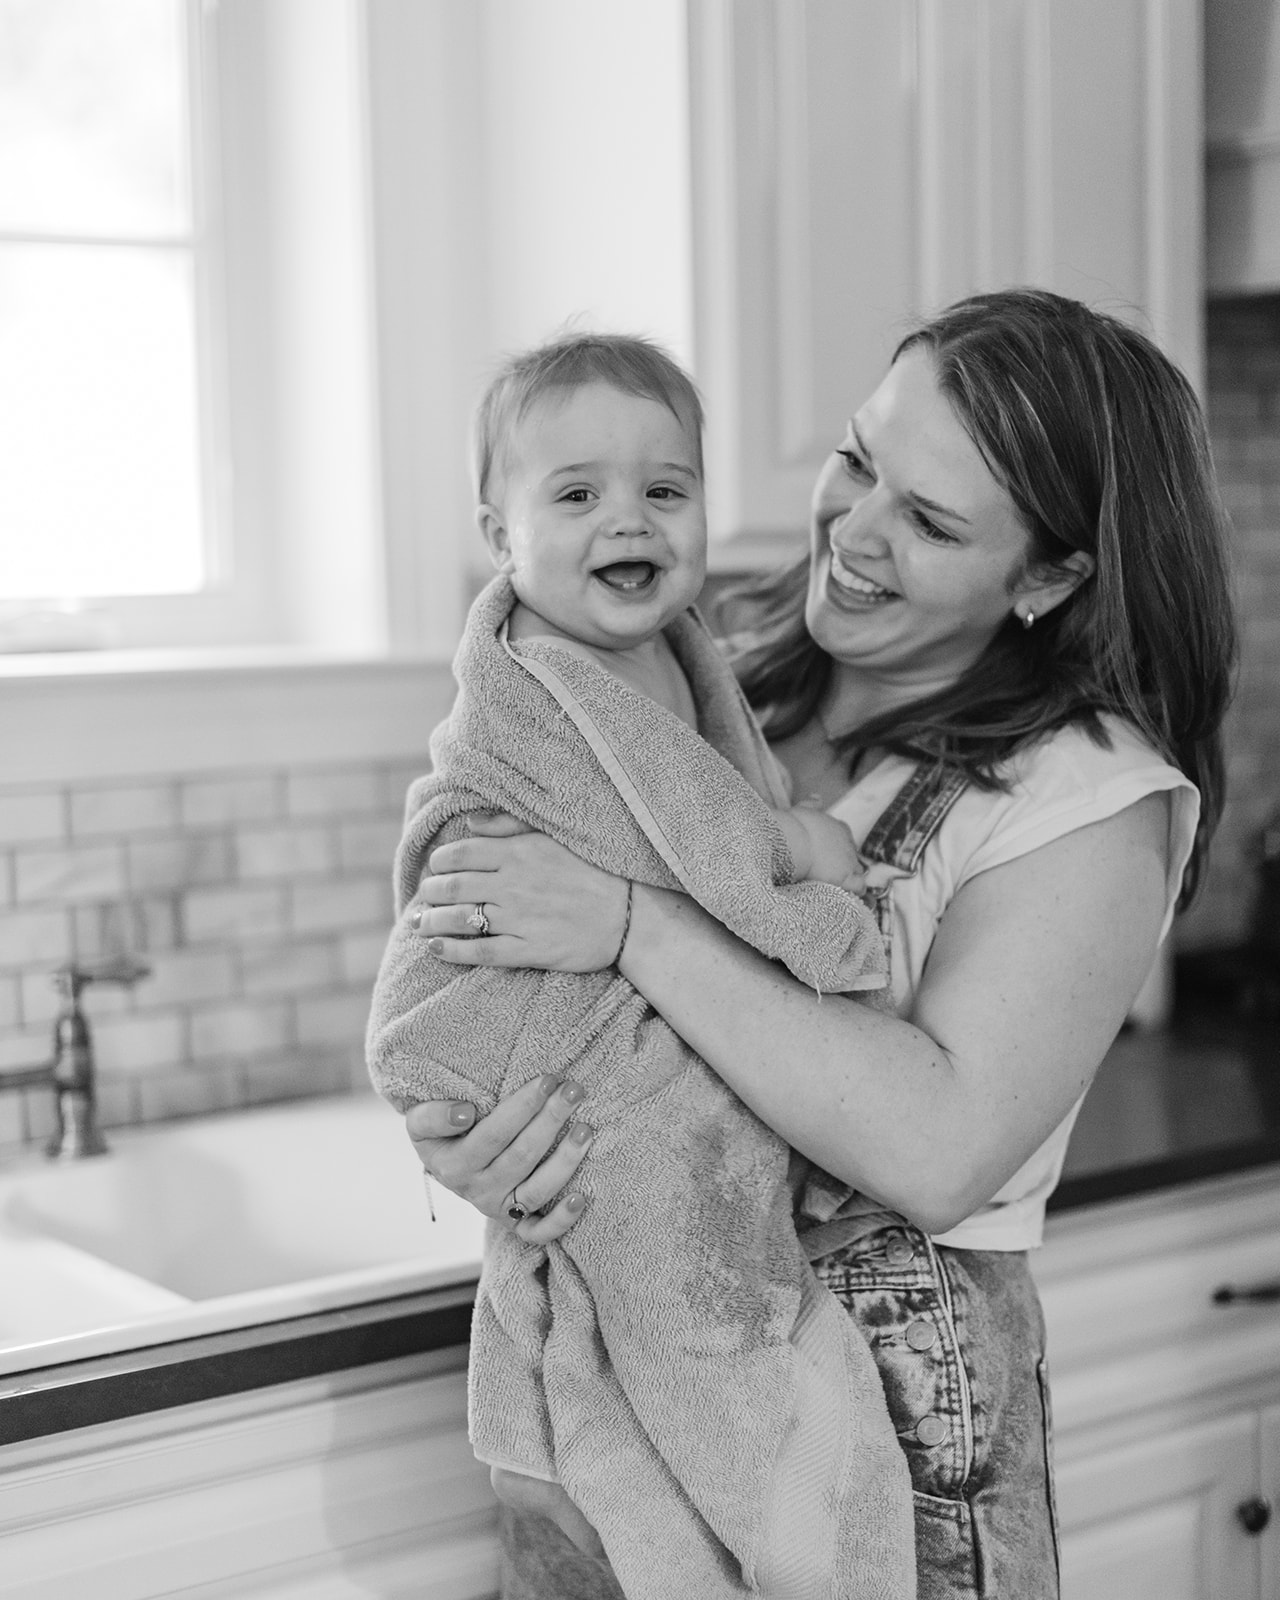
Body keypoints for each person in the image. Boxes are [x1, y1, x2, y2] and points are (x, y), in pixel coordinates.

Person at [399, 288, 1238, 1600]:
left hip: (885, 1401)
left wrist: (630, 925)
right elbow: (491, 934)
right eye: (859, 461)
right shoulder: (693, 673)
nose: (853, 529)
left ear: (1050, 576)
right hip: (613, 1353)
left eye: (931, 521)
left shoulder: (1085, 801)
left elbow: (941, 1147)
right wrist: (481, 1134)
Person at [367, 332, 916, 1599]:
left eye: (664, 490)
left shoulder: (688, 660)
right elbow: (708, 866)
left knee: (707, 1368)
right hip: (589, 1096)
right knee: (696, 1376)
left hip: (689, 1102)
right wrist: (813, 861)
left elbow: (662, 865)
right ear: (496, 533)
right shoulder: (532, 691)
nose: (631, 519)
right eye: (575, 494)